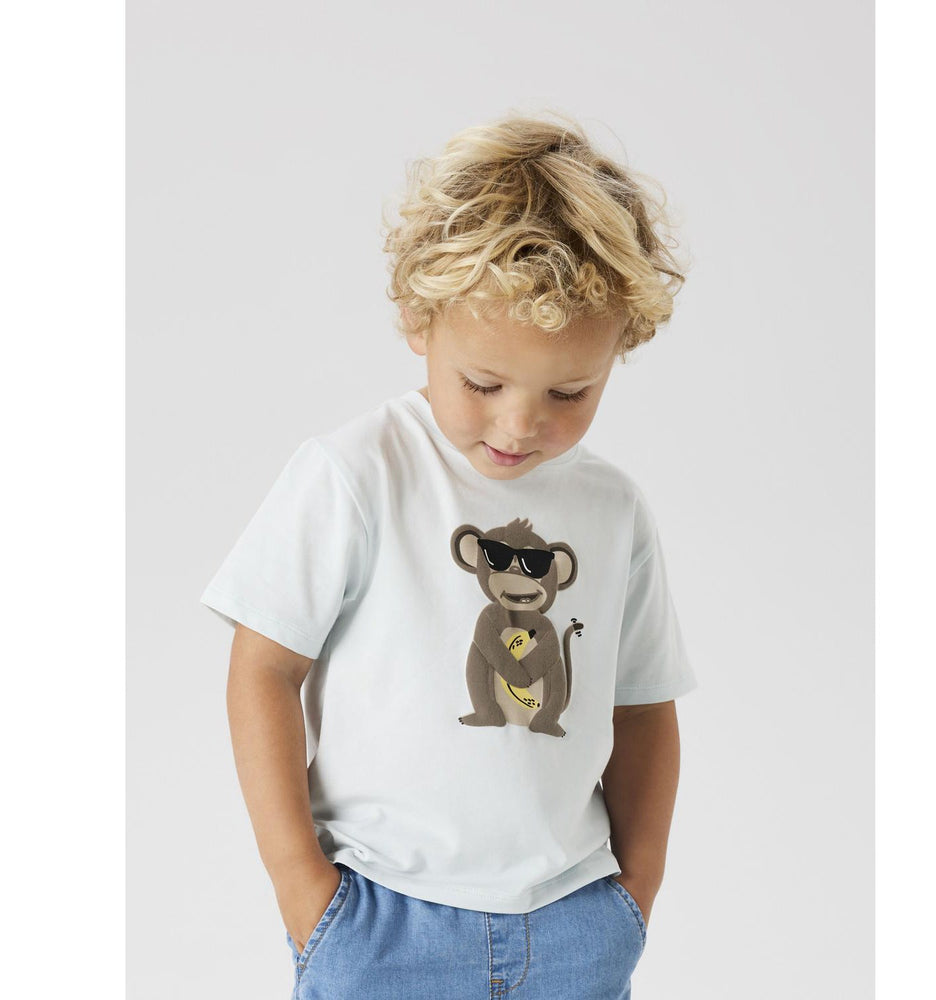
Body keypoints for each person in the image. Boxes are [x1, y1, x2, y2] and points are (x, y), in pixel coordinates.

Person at [200, 110, 697, 1000]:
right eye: (484, 383)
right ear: (417, 318)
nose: (520, 423)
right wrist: (302, 889)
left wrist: (636, 894)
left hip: (574, 921)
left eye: (570, 392)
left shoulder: (612, 508)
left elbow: (644, 707)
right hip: (381, 918)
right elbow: (264, 670)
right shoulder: (355, 475)